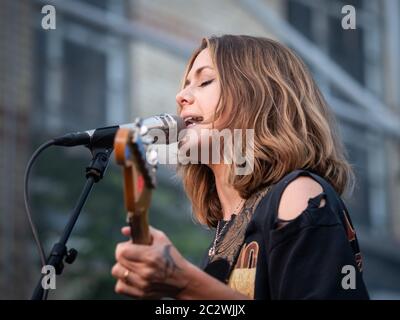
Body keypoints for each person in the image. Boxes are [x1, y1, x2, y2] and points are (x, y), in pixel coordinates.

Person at [111, 35, 369, 299]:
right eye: (186, 84)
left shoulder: (299, 194)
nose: (181, 96)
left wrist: (186, 284)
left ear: (260, 95)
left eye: (205, 81)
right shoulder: (222, 238)